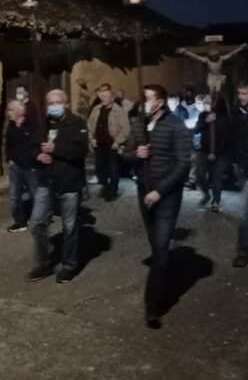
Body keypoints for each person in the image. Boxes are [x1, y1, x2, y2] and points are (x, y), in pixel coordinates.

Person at [126, 84, 192, 329]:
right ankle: (162, 275)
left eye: (148, 98)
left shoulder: (176, 125)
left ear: (160, 102)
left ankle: (153, 307)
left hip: (167, 195)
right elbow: (125, 153)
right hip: (143, 191)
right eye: (142, 98)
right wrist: (137, 154)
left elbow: (183, 164)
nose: (144, 102)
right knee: (156, 246)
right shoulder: (138, 124)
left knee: (162, 247)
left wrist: (160, 191)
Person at [28, 89, 88, 283]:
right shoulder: (43, 124)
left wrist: (56, 149)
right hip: (46, 180)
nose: (54, 106)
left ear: (66, 104)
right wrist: (38, 155)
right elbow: (32, 145)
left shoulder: (77, 123)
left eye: (57, 102)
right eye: (50, 103)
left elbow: (81, 150)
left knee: (69, 226)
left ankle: (69, 265)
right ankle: (44, 263)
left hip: (69, 181)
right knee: (37, 223)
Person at [231, 82, 248, 268]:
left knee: (247, 210)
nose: (241, 97)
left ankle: (244, 250)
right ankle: (244, 249)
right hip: (244, 167)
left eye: (244, 93)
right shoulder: (236, 113)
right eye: (239, 93)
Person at [88, 83, 130, 200]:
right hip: (99, 144)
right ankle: (105, 187)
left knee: (113, 169)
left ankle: (112, 191)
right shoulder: (96, 109)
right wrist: (91, 139)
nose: (103, 99)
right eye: (102, 96)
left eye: (106, 97)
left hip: (112, 145)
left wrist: (118, 141)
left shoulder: (119, 111)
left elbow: (125, 129)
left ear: (112, 98)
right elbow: (89, 126)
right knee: (100, 169)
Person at [5, 100, 40, 233]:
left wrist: (34, 162)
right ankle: (20, 222)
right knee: (14, 195)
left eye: (11, 110)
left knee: (35, 194)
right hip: (15, 166)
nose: (8, 113)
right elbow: (8, 144)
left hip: (31, 167)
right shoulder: (11, 126)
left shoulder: (32, 126)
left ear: (19, 112)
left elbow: (36, 145)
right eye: (8, 110)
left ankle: (39, 219)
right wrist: (10, 159)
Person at [195, 94, 231, 212]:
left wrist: (214, 152)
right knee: (199, 175)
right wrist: (206, 121)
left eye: (208, 102)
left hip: (221, 153)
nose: (205, 104)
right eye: (205, 102)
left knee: (216, 176)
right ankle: (206, 194)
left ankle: (216, 201)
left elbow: (227, 138)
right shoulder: (203, 115)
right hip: (204, 151)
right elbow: (196, 129)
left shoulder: (225, 118)